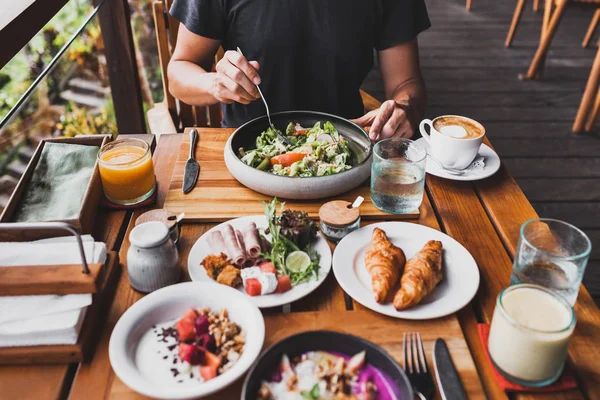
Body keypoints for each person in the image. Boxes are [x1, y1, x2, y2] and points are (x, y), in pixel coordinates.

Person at [168, 0, 430, 141]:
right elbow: (178, 72)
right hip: (246, 153)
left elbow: (406, 83)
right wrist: (215, 83)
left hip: (347, 150)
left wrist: (403, 109)